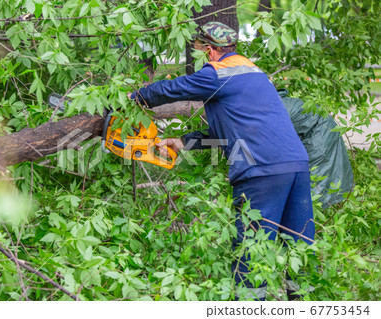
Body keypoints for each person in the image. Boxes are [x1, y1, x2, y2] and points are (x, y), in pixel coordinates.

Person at [129, 22, 315, 301]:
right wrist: (182, 142)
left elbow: (171, 89)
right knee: (299, 245)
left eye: (203, 49)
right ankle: (306, 305)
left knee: (252, 250)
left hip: (260, 170)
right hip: (296, 165)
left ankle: (248, 308)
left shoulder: (217, 73)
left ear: (210, 49)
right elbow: (231, 132)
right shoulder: (254, 72)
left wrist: (132, 99)